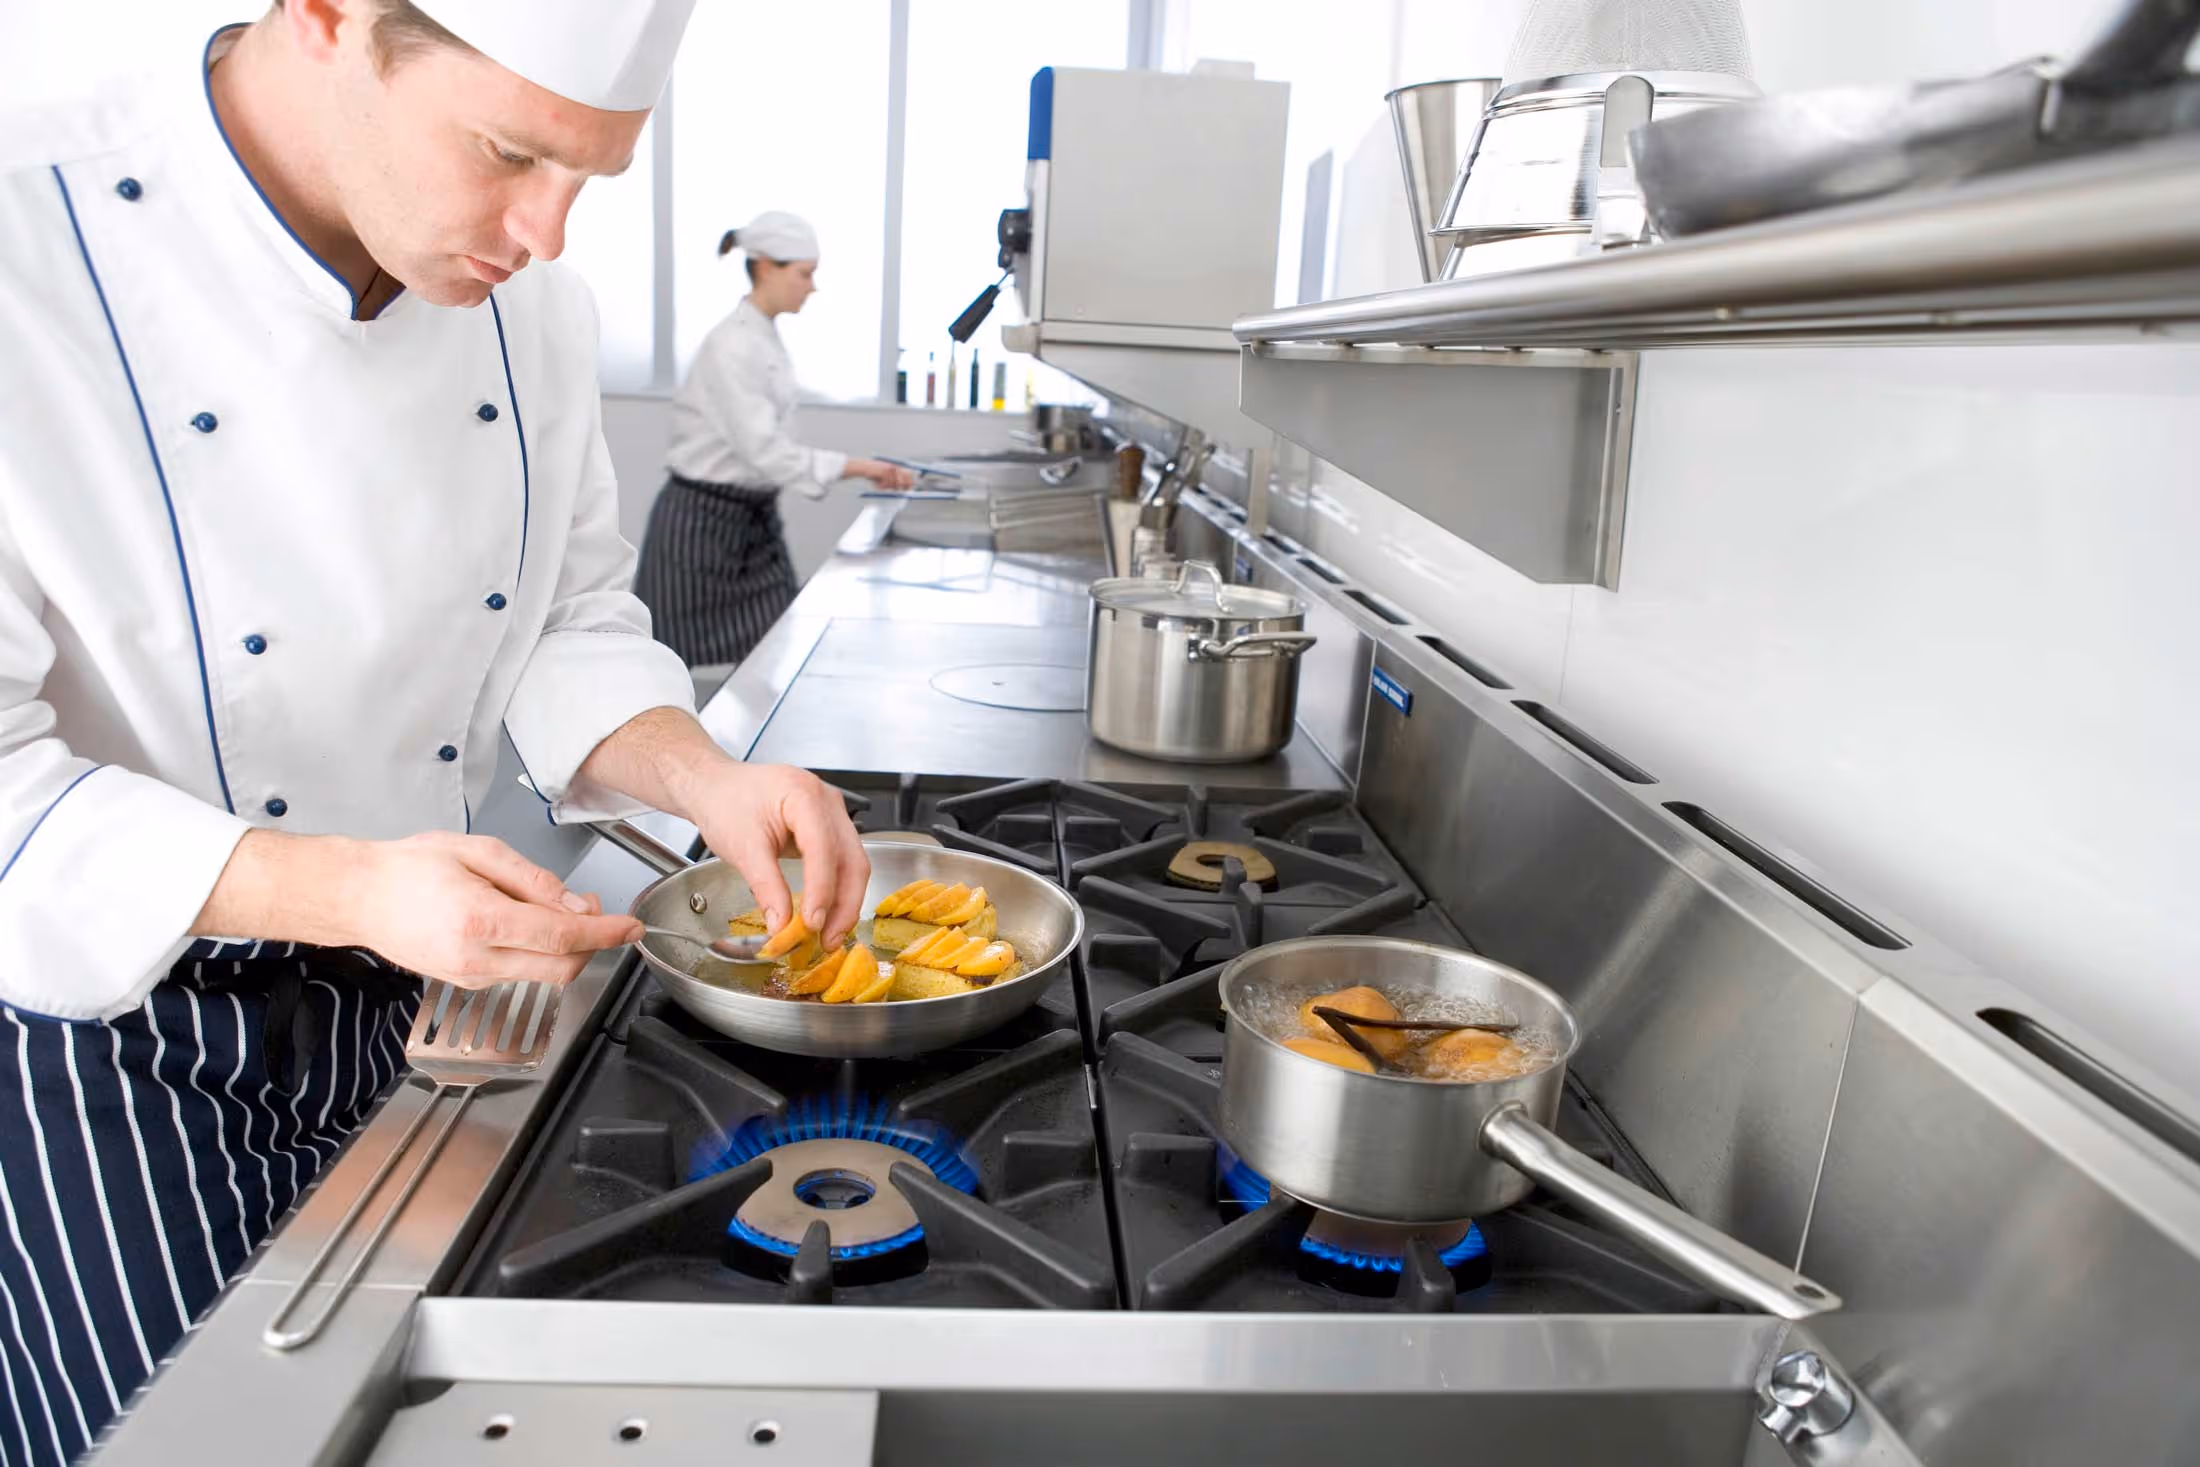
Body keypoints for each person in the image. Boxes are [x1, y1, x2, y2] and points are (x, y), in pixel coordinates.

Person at [0, 3, 869, 1461]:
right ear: (327, 18)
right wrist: (347, 887)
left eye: (590, 176)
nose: (548, 234)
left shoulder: (530, 304)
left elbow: (568, 617)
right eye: (510, 153)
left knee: (361, 1422)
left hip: (417, 997)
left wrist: (701, 776)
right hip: (113, 1039)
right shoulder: (30, 244)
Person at [633, 213, 916, 668]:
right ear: (765, 267)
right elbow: (764, 450)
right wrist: (861, 467)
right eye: (804, 274)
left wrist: (856, 467)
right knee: (676, 666)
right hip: (699, 529)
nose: (812, 287)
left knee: (780, 643)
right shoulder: (731, 344)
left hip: (753, 523)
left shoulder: (762, 337)